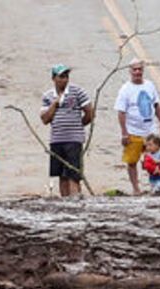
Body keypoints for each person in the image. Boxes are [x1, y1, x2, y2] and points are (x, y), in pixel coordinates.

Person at [115, 58, 160, 195]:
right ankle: (136, 188)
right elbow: (121, 112)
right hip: (133, 131)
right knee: (132, 161)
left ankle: (156, 185)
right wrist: (124, 133)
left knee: (155, 159)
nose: (137, 72)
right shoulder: (125, 89)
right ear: (130, 71)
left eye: (140, 69)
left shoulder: (150, 85)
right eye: (134, 69)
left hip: (150, 131)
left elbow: (156, 105)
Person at [41, 64, 93, 198]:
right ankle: (65, 201)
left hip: (74, 140)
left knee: (74, 174)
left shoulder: (77, 92)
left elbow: (89, 113)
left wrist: (78, 125)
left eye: (66, 76)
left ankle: (75, 198)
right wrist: (54, 104)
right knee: (61, 175)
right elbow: (45, 119)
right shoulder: (48, 96)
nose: (64, 79)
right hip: (57, 140)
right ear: (54, 78)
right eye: (61, 77)